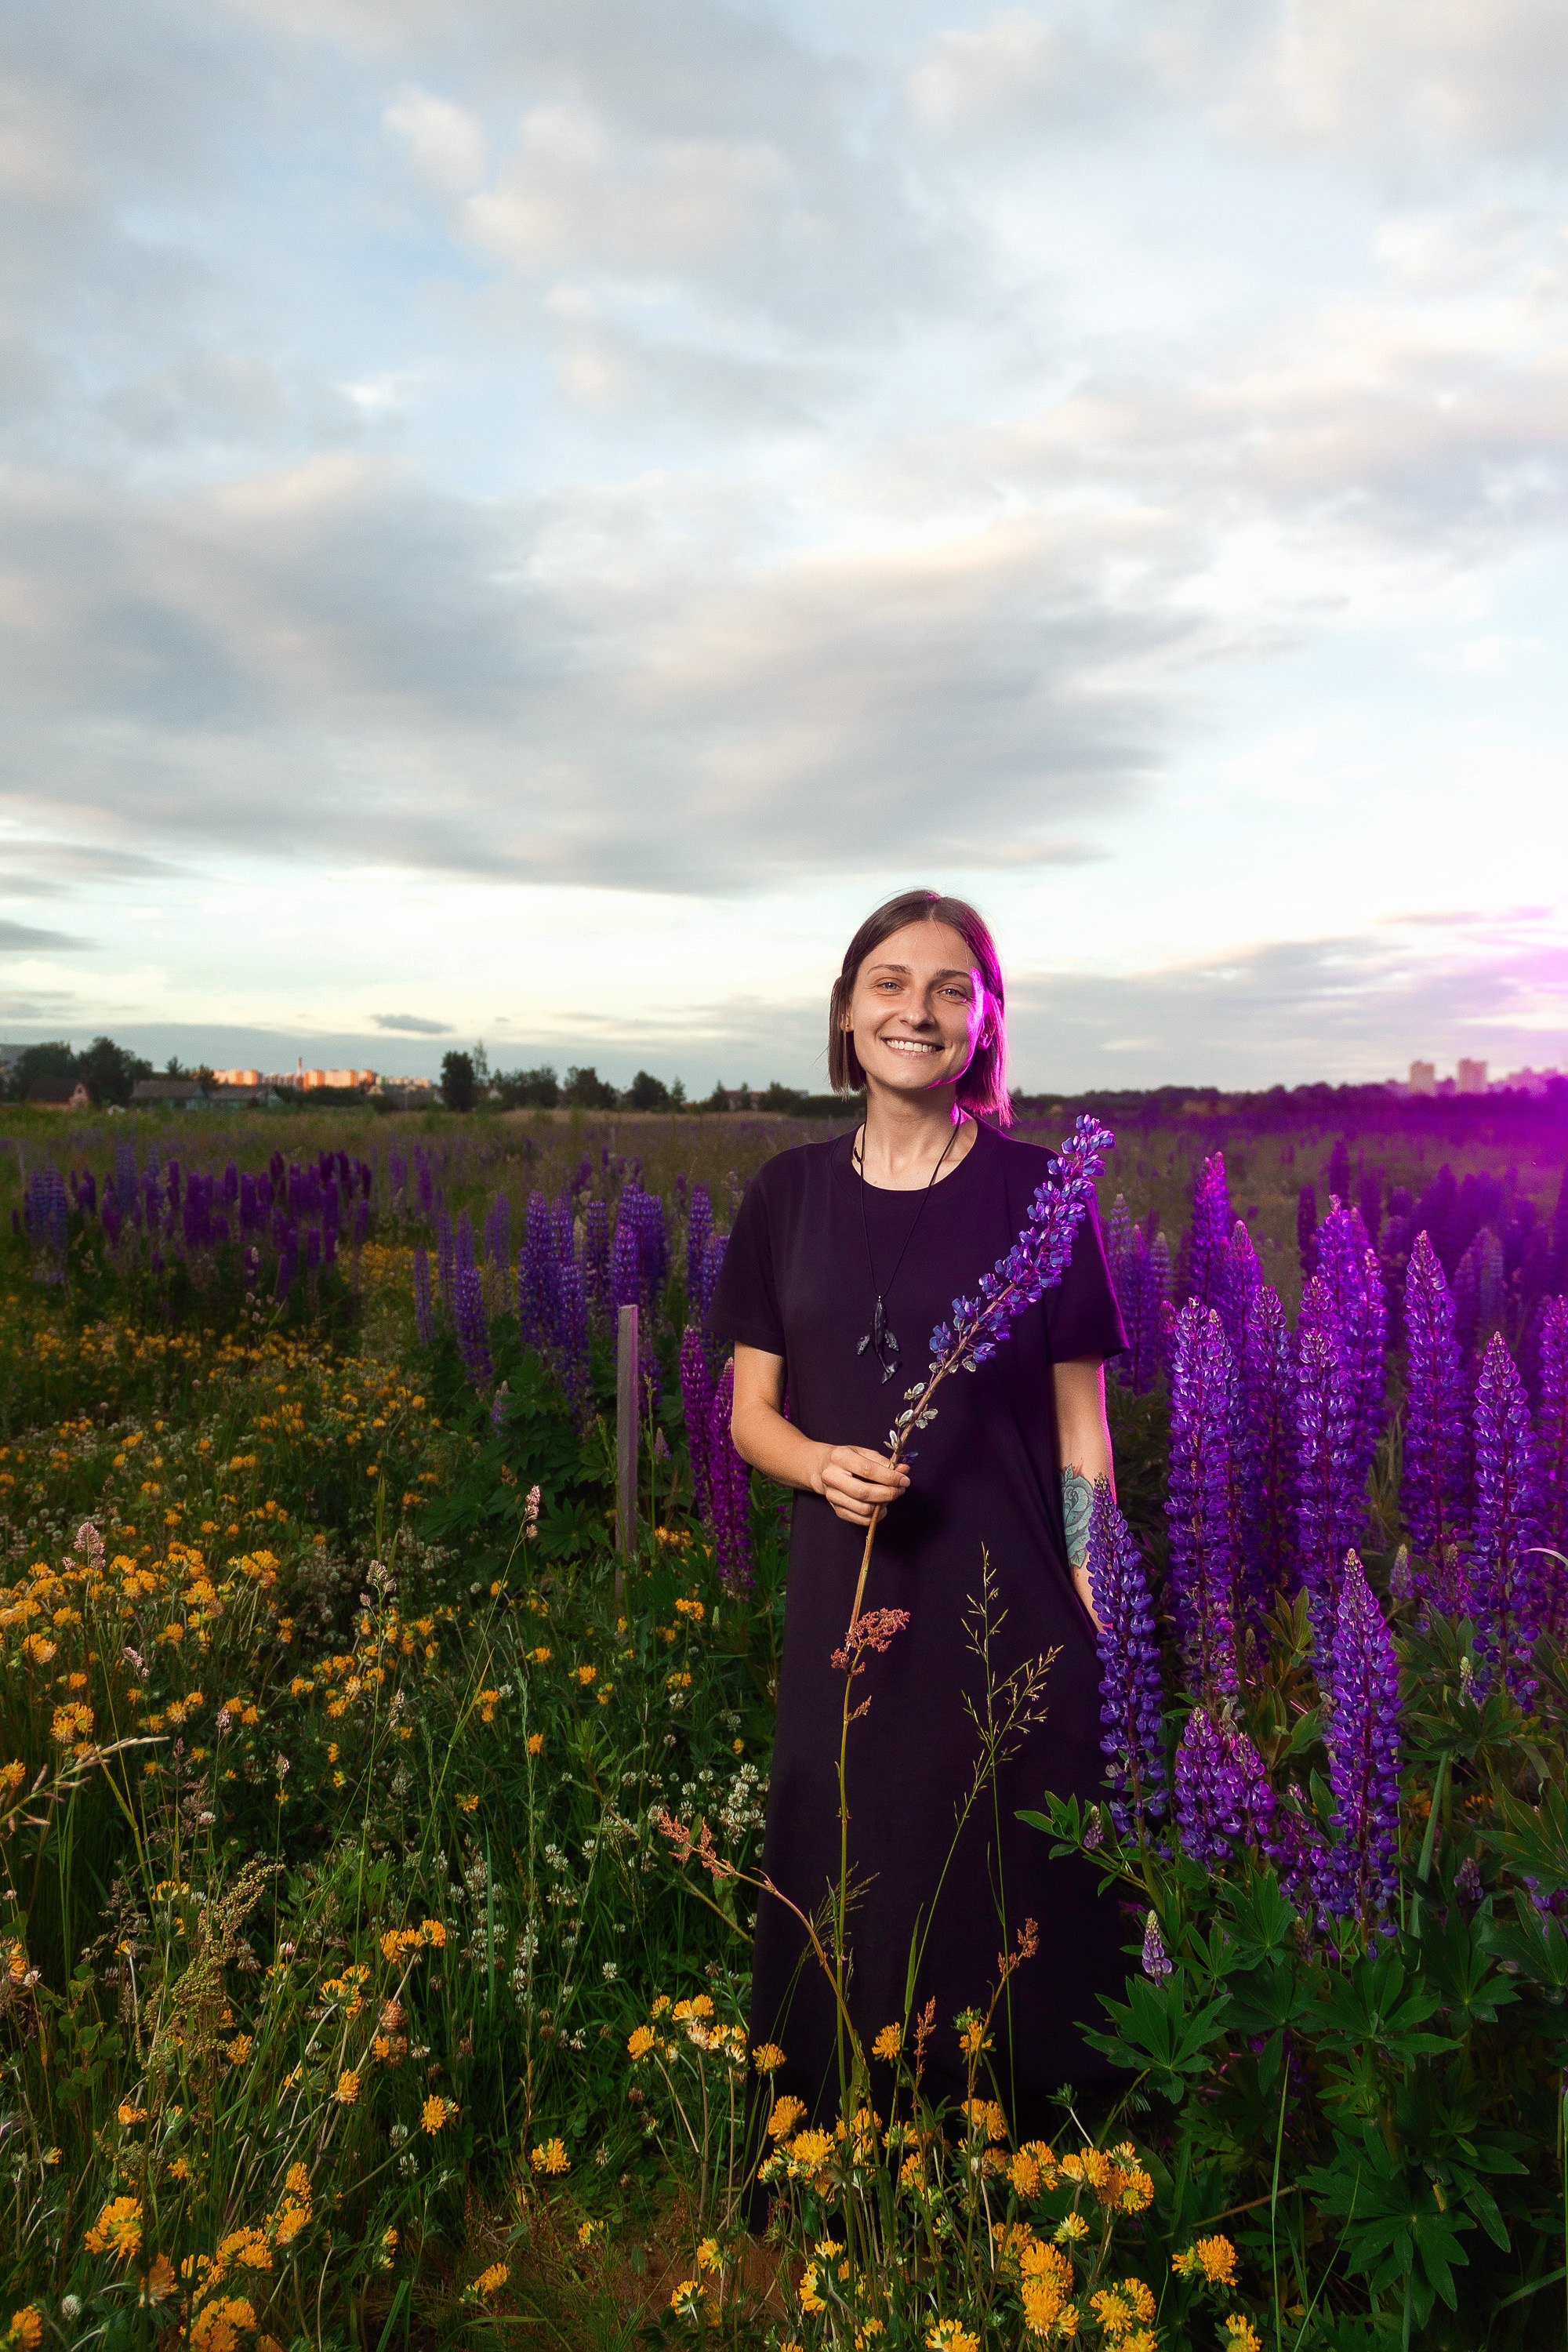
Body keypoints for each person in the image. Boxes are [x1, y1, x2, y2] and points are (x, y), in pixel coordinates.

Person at [706, 887, 1128, 2151]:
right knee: (852, 1850)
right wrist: (818, 1466)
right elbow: (749, 1415)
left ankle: (1027, 2165)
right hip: (852, 1581)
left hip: (1013, 1595)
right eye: (890, 983)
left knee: (1012, 1873)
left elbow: (1082, 1431)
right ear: (845, 1014)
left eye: (953, 988)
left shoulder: (1044, 1193)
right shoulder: (783, 1196)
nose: (919, 1010)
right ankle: (840, 2149)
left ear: (986, 1025)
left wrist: (1101, 1600)